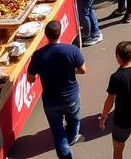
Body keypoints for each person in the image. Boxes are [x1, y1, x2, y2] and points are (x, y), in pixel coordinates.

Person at [27, 19, 87, 159]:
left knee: (57, 131)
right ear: (60, 33)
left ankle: (65, 154)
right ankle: (72, 138)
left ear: (46, 35)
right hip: (71, 96)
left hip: (51, 100)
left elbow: (30, 78)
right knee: (74, 120)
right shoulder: (72, 50)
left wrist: (37, 76)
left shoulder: (38, 55)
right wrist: (71, 71)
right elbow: (83, 70)